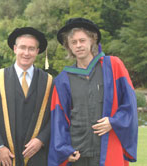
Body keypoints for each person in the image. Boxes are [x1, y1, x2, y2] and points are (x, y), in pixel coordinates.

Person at [48, 18, 138, 166]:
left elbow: (130, 103)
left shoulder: (113, 66)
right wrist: (64, 150)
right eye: (73, 42)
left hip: (107, 147)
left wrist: (113, 122)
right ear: (69, 47)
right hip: (77, 153)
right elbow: (59, 119)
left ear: (92, 40)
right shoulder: (63, 80)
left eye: (82, 40)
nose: (78, 45)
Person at [0, 27, 53, 166]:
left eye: (31, 49)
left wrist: (41, 139)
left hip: (37, 155)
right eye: (22, 47)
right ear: (15, 49)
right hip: (5, 155)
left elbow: (54, 116)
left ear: (37, 51)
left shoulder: (48, 81)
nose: (26, 53)